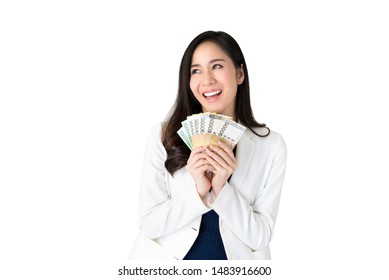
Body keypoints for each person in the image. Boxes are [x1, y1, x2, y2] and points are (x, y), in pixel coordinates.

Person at [129, 31, 287, 260]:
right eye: (196, 70)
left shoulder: (271, 146)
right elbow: (149, 224)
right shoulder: (163, 136)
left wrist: (223, 189)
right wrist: (199, 191)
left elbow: (260, 236)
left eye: (217, 66)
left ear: (240, 73)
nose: (207, 80)